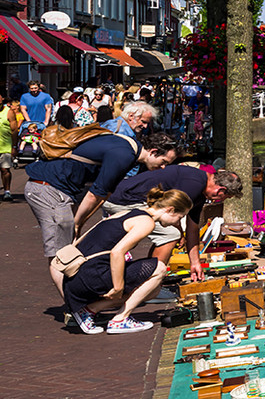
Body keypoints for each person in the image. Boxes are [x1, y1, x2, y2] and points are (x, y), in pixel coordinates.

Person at [25, 129, 179, 303]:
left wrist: (80, 223)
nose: (164, 167)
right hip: (49, 188)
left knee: (68, 249)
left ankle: (78, 304)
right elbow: (94, 194)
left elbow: (105, 193)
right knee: (61, 254)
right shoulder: (124, 154)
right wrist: (77, 224)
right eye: (164, 161)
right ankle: (76, 309)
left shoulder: (129, 148)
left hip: (59, 189)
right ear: (153, 152)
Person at [61, 186, 192, 335]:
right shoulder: (146, 222)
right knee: (160, 268)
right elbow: (117, 252)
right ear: (170, 209)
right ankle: (120, 320)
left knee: (153, 289)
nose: (178, 223)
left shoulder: (130, 213)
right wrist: (118, 288)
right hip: (91, 276)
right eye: (180, 217)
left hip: (77, 276)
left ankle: (89, 310)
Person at [102, 162, 243, 281]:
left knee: (169, 234)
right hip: (124, 200)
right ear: (221, 190)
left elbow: (192, 228)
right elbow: (171, 212)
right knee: (170, 235)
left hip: (129, 198)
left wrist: (195, 263)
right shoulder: (194, 185)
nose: (220, 201)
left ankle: (149, 277)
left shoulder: (200, 189)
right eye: (225, 197)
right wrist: (179, 233)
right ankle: (149, 283)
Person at [0, 95, 22, 202]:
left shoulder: (8, 112)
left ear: (2, 99)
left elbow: (14, 130)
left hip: (5, 146)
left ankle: (7, 191)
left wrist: (14, 146)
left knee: (5, 170)